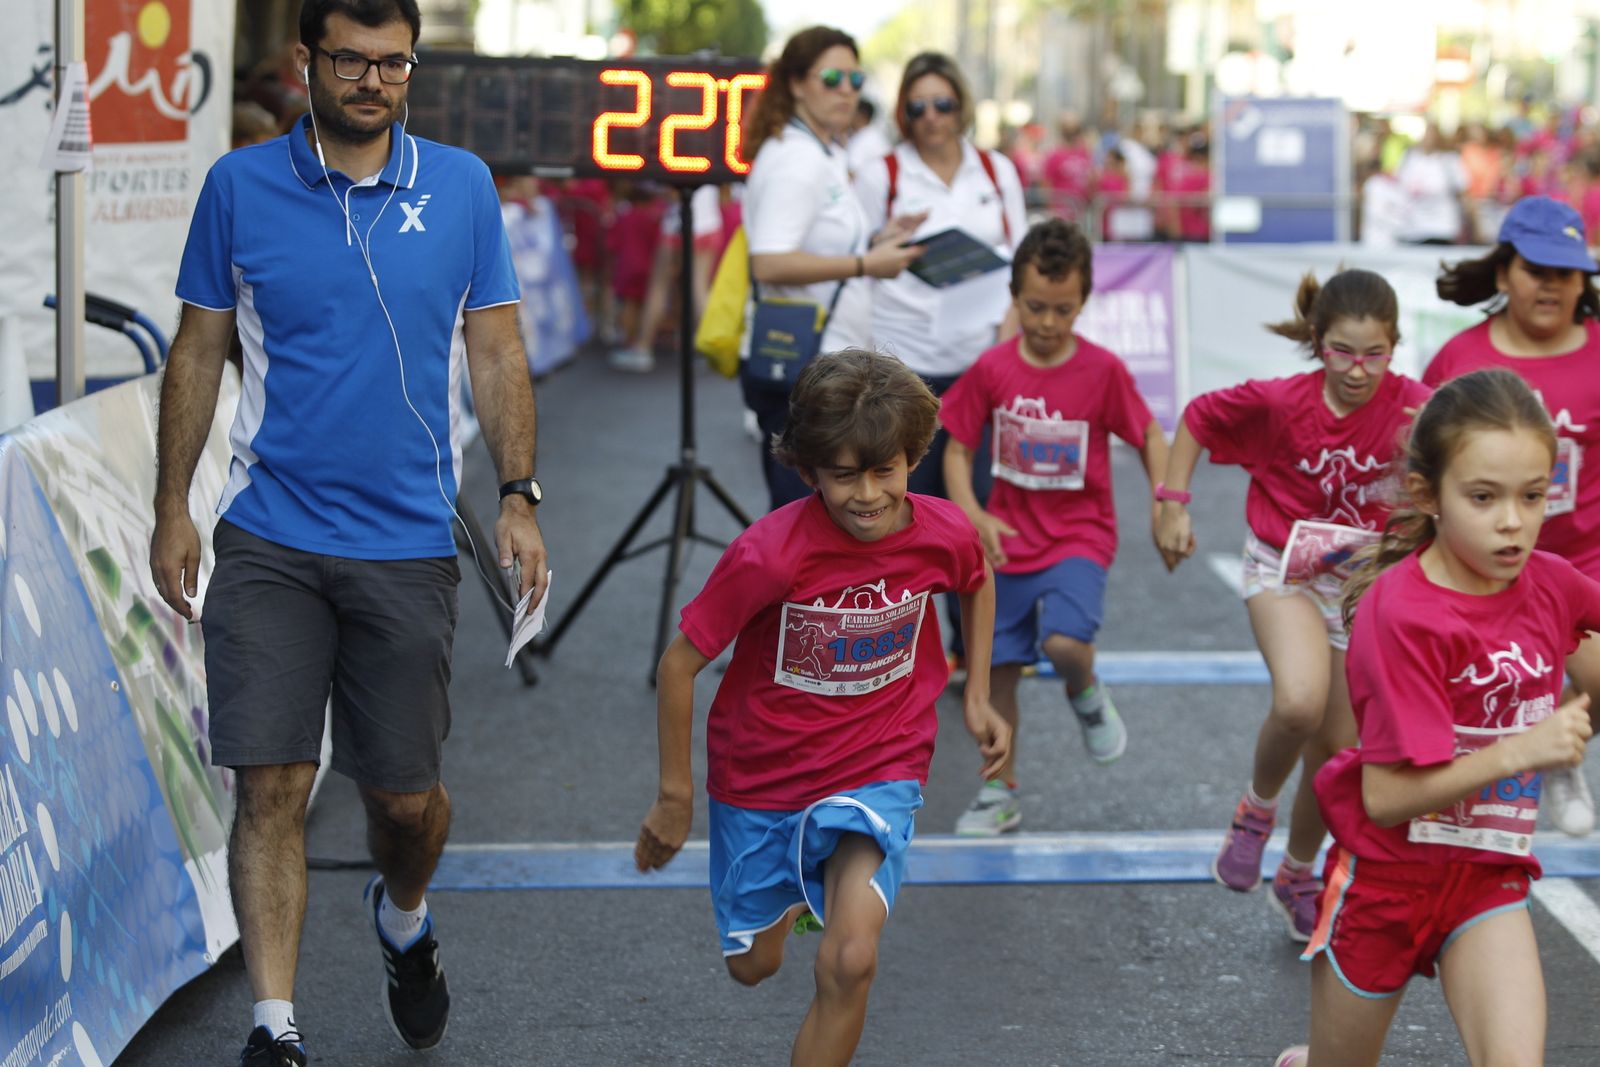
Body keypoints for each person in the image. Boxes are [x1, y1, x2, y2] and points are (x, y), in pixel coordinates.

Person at [148, 3, 549, 1064]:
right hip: (269, 534)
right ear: (306, 62)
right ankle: (274, 1025)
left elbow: (498, 349)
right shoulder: (238, 185)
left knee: (403, 800)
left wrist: (519, 493)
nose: (373, 80)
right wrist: (170, 506)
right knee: (271, 782)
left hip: (407, 541)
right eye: (351, 60)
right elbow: (197, 350)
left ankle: (403, 918)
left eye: (392, 62)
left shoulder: (459, 185)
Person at [634, 349, 1010, 1067]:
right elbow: (678, 664)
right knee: (754, 966)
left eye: (886, 470)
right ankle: (803, 888)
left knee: (851, 959)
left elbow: (975, 578)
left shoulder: (943, 530)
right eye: (843, 474)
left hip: (881, 762)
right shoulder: (769, 554)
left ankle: (833, 887)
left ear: (913, 458)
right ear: (807, 471)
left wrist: (981, 697)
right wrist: (674, 797)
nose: (868, 494)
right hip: (763, 778)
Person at [1274, 368, 1597, 1067]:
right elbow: (1386, 796)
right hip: (1384, 882)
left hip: (1486, 875)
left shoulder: (1550, 581)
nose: (1513, 520)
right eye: (1483, 497)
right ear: (1429, 495)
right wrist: (1522, 749)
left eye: (1533, 496)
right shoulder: (1403, 613)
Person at [1155, 269, 1431, 941]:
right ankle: (1255, 810)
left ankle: (1298, 873)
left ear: (1395, 346)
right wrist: (1172, 502)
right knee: (1301, 701)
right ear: (1317, 342)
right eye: (1343, 351)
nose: (1359, 370)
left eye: (1375, 353)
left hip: (1360, 588)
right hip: (1284, 570)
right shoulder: (1280, 403)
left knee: (1338, 752)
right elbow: (1196, 418)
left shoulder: (1416, 410)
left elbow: (1468, 449)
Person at [938, 219, 1168, 835]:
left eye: (1062, 310)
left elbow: (1147, 432)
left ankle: (1085, 692)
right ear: (1014, 297)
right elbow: (955, 449)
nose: (1046, 323)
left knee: (1064, 644)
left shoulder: (1102, 371)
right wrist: (972, 513)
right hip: (1006, 541)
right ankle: (999, 791)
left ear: (1084, 302)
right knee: (997, 670)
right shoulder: (992, 369)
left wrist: (1166, 501)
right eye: (1035, 307)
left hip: (1078, 537)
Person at [1425, 194, 1600, 838]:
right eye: (1536, 270)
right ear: (1504, 274)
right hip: (1477, 570)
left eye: (1567, 271)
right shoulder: (1458, 362)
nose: (1552, 285)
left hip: (1580, 565)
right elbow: (1422, 465)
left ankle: (1554, 748)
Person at [852, 50, 1027, 670]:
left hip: (978, 365)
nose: (932, 118)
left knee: (970, 506)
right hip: (903, 365)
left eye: (943, 104)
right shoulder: (883, 173)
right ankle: (905, 647)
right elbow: (857, 256)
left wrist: (1005, 347)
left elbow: (1019, 266)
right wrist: (884, 238)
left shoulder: (995, 169)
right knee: (905, 506)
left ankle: (973, 648)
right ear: (904, 112)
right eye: (918, 106)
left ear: (962, 106)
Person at [738, 25, 924, 511]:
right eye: (833, 77)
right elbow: (770, 261)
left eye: (855, 79)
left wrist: (879, 239)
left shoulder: (818, 150)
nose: (846, 90)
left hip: (817, 361)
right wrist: (866, 262)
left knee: (819, 516)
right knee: (807, 522)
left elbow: (813, 244)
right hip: (805, 367)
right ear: (796, 83)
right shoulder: (796, 158)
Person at [608, 183, 722, 373]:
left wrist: (655, 189)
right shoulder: (708, 157)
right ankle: (713, 349)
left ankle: (643, 348)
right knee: (698, 289)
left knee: (660, 288)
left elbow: (674, 194)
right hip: (709, 223)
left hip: (680, 227)